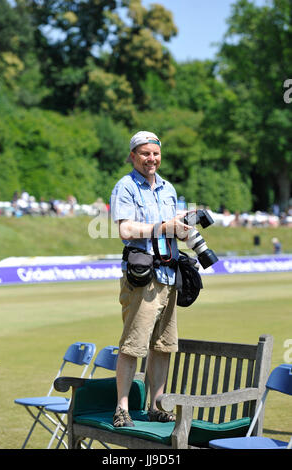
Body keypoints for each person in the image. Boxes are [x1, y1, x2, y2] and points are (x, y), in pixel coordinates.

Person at [110, 131, 191, 427]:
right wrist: (163, 226)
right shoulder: (126, 186)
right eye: (144, 154)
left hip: (170, 275)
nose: (151, 159)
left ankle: (156, 405)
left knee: (163, 346)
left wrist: (182, 228)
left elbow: (170, 228)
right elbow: (126, 231)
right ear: (133, 156)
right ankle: (122, 409)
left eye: (155, 153)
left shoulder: (169, 188)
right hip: (143, 278)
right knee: (133, 346)